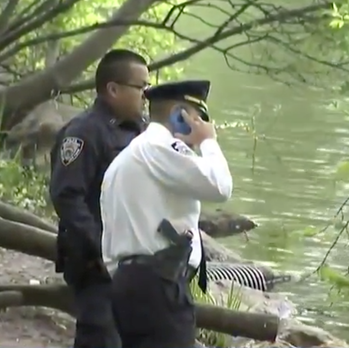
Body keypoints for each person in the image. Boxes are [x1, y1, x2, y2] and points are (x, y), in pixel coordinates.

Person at [100, 80, 233, 348]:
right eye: (199, 117)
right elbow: (221, 186)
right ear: (180, 115)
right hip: (157, 285)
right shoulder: (161, 148)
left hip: (132, 281)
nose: (202, 124)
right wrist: (208, 142)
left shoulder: (134, 153)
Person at [48, 49, 150, 348]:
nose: (147, 94)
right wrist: (104, 249)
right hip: (96, 263)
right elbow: (67, 197)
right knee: (101, 338)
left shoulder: (142, 132)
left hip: (135, 263)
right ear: (113, 89)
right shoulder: (84, 133)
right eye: (141, 87)